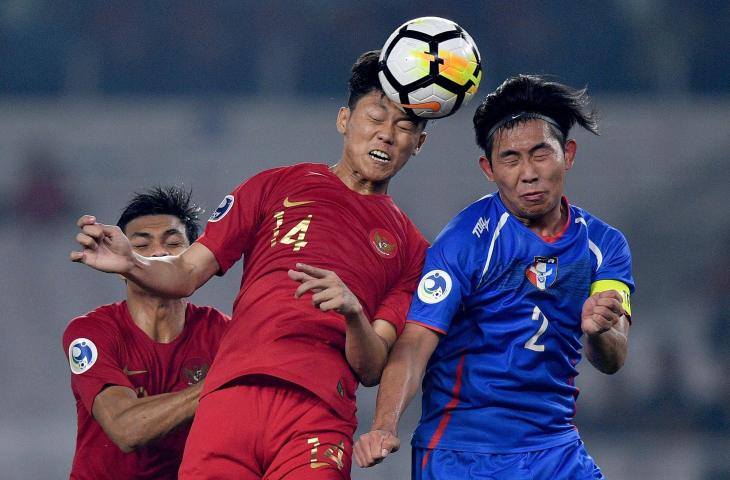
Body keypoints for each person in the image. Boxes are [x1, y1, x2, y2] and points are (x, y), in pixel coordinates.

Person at [70, 49, 429, 479]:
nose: (386, 135)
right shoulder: (274, 185)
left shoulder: (412, 250)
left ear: (418, 144)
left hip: (316, 410)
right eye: (375, 118)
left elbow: (371, 367)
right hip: (229, 400)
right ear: (344, 120)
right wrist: (133, 262)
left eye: (403, 127)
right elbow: (185, 273)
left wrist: (353, 313)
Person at [354, 74, 635, 479]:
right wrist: (384, 425)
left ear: (568, 154)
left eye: (541, 154)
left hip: (554, 449)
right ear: (488, 168)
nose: (528, 173)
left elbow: (613, 356)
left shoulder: (604, 246)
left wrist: (598, 329)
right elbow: (415, 343)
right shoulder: (466, 241)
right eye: (510, 159)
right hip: (463, 453)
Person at [63, 185, 230, 479]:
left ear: (194, 260)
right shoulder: (90, 333)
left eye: (174, 243)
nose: (159, 253)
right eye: (141, 246)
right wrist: (228, 378)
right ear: (121, 263)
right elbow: (127, 429)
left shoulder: (224, 334)